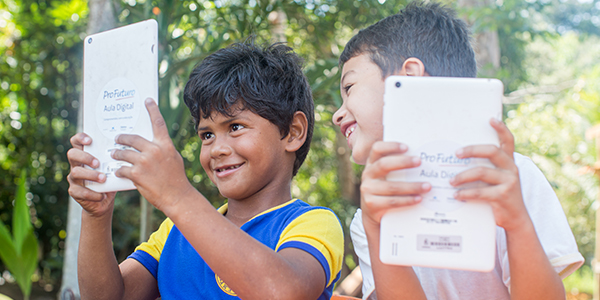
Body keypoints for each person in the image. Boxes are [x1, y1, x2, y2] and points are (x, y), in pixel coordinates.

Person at [331, 1, 584, 299]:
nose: (337, 114)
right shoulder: (370, 214)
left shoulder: (509, 177)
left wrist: (517, 222)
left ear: (408, 78)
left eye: (349, 88)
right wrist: (376, 229)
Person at [67, 41, 344, 300]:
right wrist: (96, 215)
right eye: (207, 135)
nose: (216, 149)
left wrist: (177, 197)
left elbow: (282, 291)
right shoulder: (175, 231)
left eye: (235, 127)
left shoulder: (312, 224)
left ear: (293, 132)